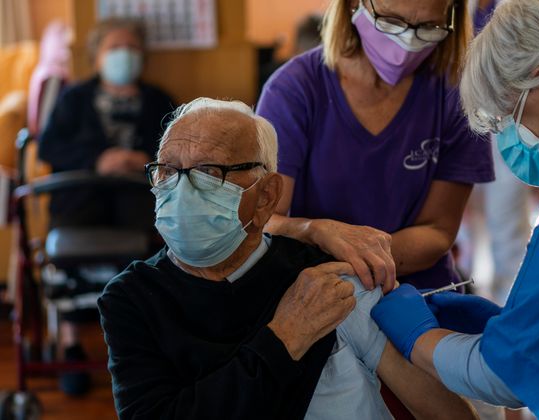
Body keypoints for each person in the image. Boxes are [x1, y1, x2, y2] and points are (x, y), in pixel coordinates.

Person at [97, 98, 476, 419]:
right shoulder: (131, 298)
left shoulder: (325, 277)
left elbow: (443, 410)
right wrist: (286, 338)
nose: (182, 189)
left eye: (209, 172)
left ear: (266, 196)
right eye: (167, 171)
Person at [370, 0, 539, 418]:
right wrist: (522, 328)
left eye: (511, 114)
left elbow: (506, 378)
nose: (513, 134)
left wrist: (417, 338)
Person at [256, 0, 494, 295]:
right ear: (356, 5)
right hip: (321, 288)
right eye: (392, 21)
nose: (407, 40)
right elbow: (264, 222)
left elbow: (438, 231)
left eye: (428, 27)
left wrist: (360, 255)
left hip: (419, 290)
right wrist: (315, 231)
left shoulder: (456, 97)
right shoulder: (293, 91)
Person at [37, 17, 173, 395]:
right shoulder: (74, 98)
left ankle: (140, 349)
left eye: (131, 47)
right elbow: (49, 148)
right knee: (66, 251)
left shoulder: (159, 100)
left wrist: (142, 158)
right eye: (114, 47)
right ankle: (70, 344)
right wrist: (99, 158)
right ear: (96, 56)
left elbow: (178, 148)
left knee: (155, 248)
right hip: (81, 196)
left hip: (136, 200)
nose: (124, 55)